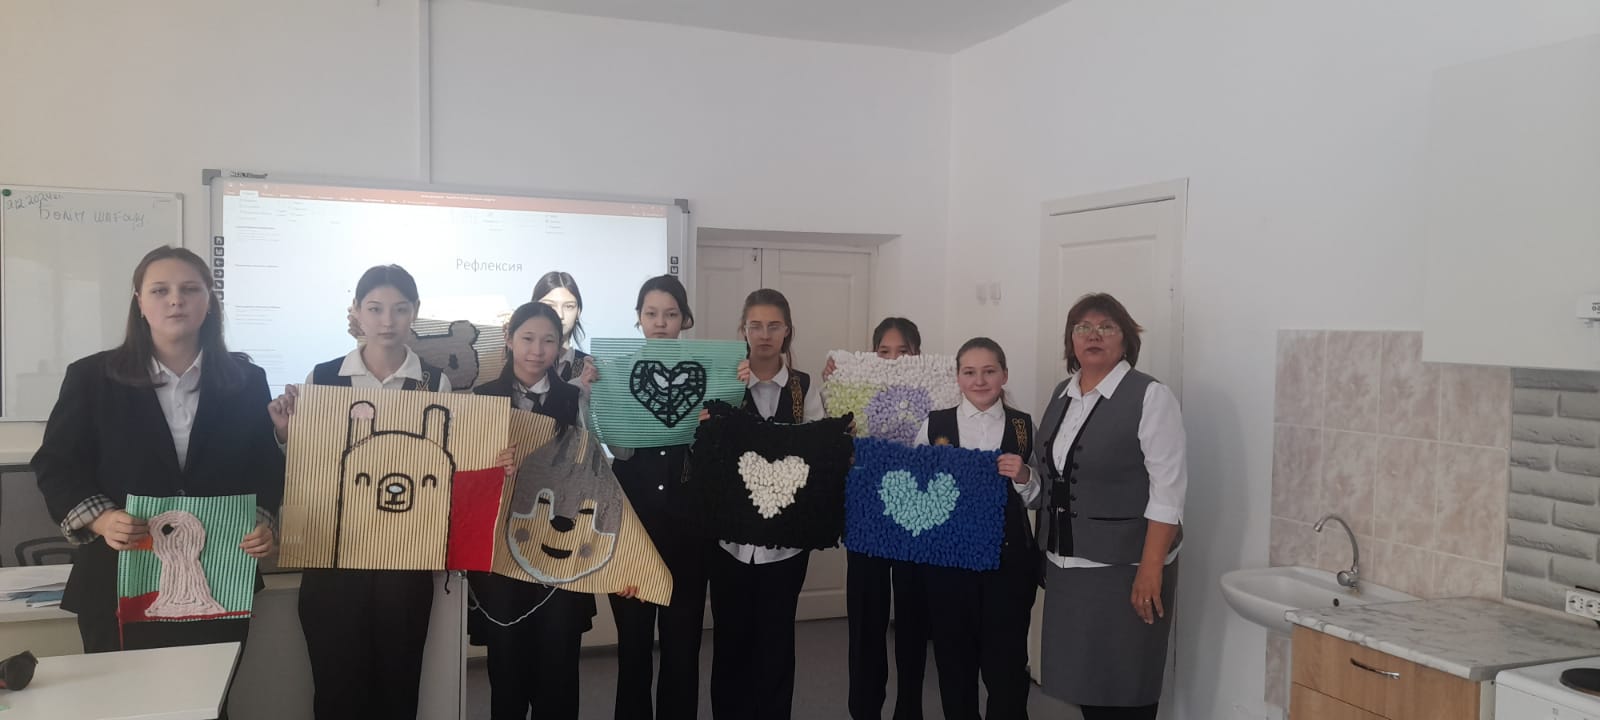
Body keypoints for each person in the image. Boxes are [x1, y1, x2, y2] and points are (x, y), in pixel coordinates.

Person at [32, 246, 282, 703]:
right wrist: (101, 519)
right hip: (118, 575)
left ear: (209, 301)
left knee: (204, 704)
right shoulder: (92, 376)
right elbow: (57, 463)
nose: (176, 300)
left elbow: (265, 465)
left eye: (190, 289)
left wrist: (262, 521)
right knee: (122, 705)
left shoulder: (246, 379)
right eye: (160, 290)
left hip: (219, 576)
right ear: (139, 302)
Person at [268, 264, 449, 720]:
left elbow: (445, 467)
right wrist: (287, 433)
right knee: (336, 687)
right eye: (375, 308)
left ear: (415, 312)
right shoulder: (324, 376)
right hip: (334, 556)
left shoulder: (434, 382)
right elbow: (308, 467)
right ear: (357, 311)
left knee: (398, 686)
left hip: (404, 557)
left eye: (399, 309)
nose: (387, 321)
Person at [1029, 293, 1187, 720]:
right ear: (1071, 340)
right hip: (1067, 570)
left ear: (1126, 339)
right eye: (1082, 327)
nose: (1093, 335)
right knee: (1087, 690)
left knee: (1125, 689)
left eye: (1106, 327)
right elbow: (1052, 477)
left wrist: (1150, 569)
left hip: (1124, 570)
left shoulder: (1150, 396)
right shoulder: (1063, 393)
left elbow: (1168, 491)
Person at [467, 300, 594, 720]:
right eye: (527, 338)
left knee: (560, 669)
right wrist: (490, 467)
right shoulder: (481, 399)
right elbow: (463, 481)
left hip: (562, 548)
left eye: (548, 341)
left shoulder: (575, 399)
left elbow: (594, 472)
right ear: (508, 339)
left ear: (560, 345)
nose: (537, 350)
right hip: (502, 553)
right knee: (507, 670)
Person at [709, 288, 826, 720]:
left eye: (773, 326)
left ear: (787, 331)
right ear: (742, 330)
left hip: (785, 544)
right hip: (729, 542)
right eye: (755, 326)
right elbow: (704, 449)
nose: (764, 334)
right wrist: (728, 392)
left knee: (776, 642)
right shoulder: (723, 380)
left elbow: (817, 457)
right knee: (730, 641)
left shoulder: (804, 388)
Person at [605, 275, 717, 720]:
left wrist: (727, 401)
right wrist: (596, 393)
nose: (661, 323)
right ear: (638, 318)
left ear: (685, 319)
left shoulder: (708, 371)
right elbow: (619, 448)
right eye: (651, 313)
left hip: (688, 526)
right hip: (632, 524)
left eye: (671, 314)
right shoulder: (618, 371)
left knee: (682, 645)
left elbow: (718, 448)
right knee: (633, 645)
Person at [916, 338, 1036, 720]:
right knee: (954, 662)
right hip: (950, 564)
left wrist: (1024, 476)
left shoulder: (1023, 426)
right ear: (958, 377)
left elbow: (1039, 496)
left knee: (1007, 662)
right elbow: (917, 489)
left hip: (1008, 563)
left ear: (1004, 375)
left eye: (989, 371)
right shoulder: (935, 424)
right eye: (969, 372)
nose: (979, 380)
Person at [840, 318, 932, 720]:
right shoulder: (855, 391)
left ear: (918, 355)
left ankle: (909, 708)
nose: (893, 359)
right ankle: (864, 710)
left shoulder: (935, 393)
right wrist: (839, 375)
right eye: (884, 351)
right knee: (866, 623)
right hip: (868, 517)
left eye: (904, 351)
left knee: (913, 621)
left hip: (915, 517)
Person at [532, 271, 592, 384]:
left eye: (569, 306)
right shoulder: (518, 363)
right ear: (533, 309)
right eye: (550, 306)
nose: (560, 315)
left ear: (578, 312)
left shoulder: (591, 368)